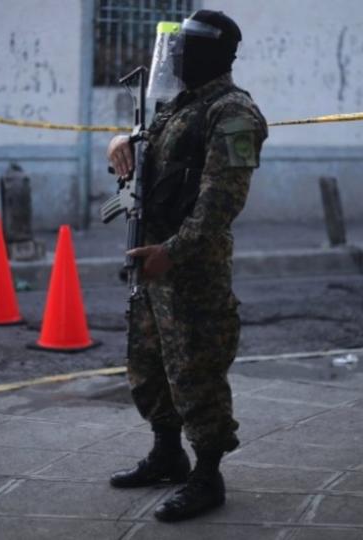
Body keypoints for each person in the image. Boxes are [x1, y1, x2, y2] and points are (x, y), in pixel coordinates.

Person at [106, 10, 267, 522]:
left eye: (188, 47)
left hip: (191, 267)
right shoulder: (179, 104)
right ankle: (167, 453)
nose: (177, 57)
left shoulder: (232, 112)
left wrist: (170, 253)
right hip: (152, 259)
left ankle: (207, 475)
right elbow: (152, 146)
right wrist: (123, 142)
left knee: (195, 369)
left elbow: (221, 203)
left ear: (214, 54)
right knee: (149, 363)